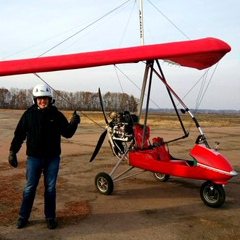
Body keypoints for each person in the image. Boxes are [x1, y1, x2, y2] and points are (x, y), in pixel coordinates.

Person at [8, 83, 80, 229]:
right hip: (34, 159)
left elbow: (67, 133)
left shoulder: (56, 115)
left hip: (52, 158)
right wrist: (12, 151)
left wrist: (74, 123)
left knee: (50, 188)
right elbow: (19, 135)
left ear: (50, 99)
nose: (42, 101)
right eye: (40, 98)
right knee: (30, 188)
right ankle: (23, 216)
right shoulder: (29, 115)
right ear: (35, 99)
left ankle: (50, 217)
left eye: (45, 98)